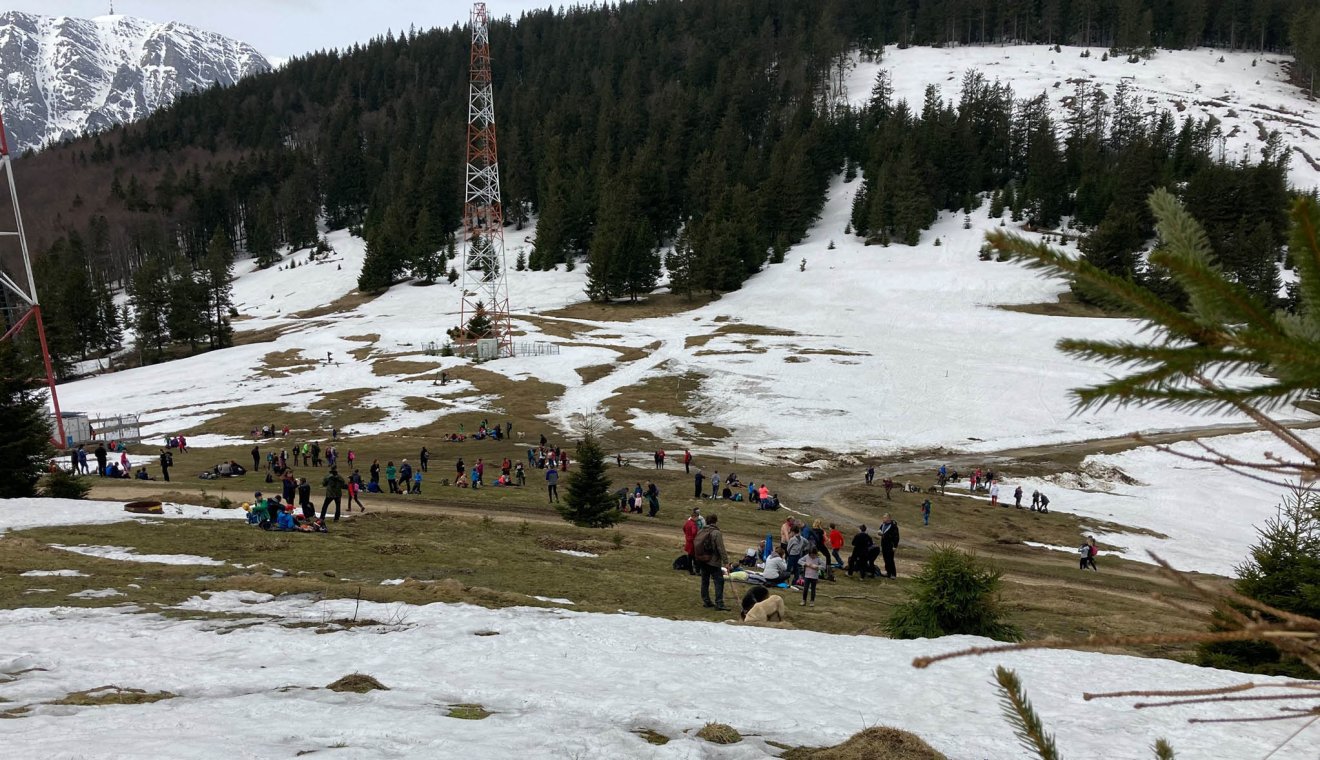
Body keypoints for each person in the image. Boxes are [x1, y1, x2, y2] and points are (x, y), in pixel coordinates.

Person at [692, 514, 729, 611]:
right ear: (715, 521)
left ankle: (706, 601)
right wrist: (726, 562)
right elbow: (721, 548)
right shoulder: (716, 532)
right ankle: (719, 603)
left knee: (705, 581)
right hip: (713, 561)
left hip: (702, 560)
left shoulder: (701, 531)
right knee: (719, 581)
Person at [879, 514, 901, 579]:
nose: (883, 519)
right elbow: (880, 530)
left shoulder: (893, 526)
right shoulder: (883, 525)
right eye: (883, 518)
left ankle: (893, 574)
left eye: (884, 518)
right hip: (884, 544)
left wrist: (895, 546)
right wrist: (879, 532)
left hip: (890, 545)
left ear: (888, 518)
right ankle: (888, 572)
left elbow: (896, 537)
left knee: (890, 559)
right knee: (885, 559)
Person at [682, 509, 701, 576]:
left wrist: (687, 535)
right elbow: (694, 532)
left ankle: (691, 570)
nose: (697, 519)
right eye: (697, 517)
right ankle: (696, 570)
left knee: (690, 556)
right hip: (693, 542)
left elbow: (684, 528)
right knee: (694, 557)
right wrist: (696, 537)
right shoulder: (693, 524)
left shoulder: (688, 522)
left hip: (688, 540)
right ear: (694, 517)